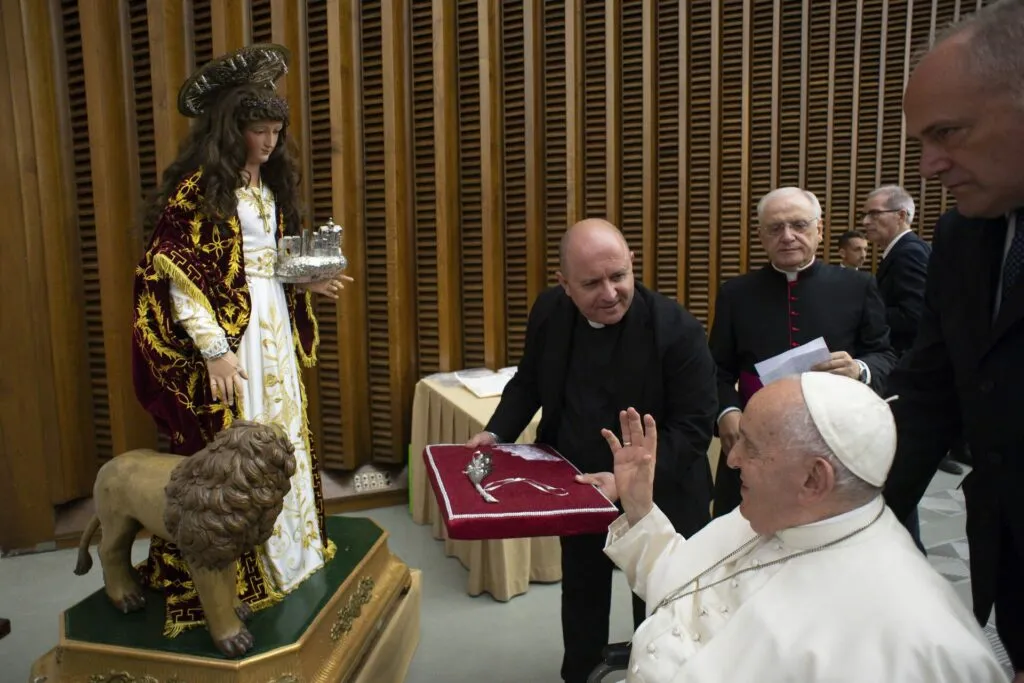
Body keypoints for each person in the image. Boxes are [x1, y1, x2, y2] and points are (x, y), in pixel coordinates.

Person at [131, 44, 352, 637]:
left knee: (285, 425)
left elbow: (265, 259)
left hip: (272, 313)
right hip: (237, 330)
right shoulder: (202, 189)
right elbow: (175, 272)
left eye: (276, 132)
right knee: (244, 434)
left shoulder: (267, 186)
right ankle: (247, 568)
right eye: (259, 131)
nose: (270, 142)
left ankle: (295, 550)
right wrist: (215, 350)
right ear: (234, 131)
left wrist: (305, 279)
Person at [601, 374, 1005, 682]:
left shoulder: (913, 643)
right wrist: (639, 506)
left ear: (813, 479)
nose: (732, 459)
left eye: (750, 446)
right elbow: (683, 585)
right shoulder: (776, 512)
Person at [465, 218, 717, 683]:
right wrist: (496, 433)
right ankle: (579, 674)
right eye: (591, 283)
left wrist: (627, 482)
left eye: (619, 276)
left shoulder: (677, 328)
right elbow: (529, 381)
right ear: (564, 284)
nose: (610, 293)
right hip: (579, 484)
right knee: (582, 591)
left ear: (632, 264)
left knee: (660, 603)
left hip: (664, 491)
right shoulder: (549, 311)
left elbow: (695, 426)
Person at [883, 1, 1024, 678]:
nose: (929, 165)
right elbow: (930, 394)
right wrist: (851, 523)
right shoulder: (961, 234)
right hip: (1005, 558)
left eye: (948, 133)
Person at [708, 187, 896, 517]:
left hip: (834, 439)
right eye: (775, 228)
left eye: (799, 225)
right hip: (757, 437)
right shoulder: (736, 293)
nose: (787, 236)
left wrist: (859, 369)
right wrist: (727, 412)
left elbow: (885, 355)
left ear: (819, 229)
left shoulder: (857, 286)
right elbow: (717, 369)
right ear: (761, 236)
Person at [861, 185, 965, 476]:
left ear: (901, 215)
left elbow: (915, 315)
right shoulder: (902, 251)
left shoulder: (908, 253)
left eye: (874, 214)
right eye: (865, 215)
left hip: (907, 363)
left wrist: (865, 312)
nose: (866, 222)